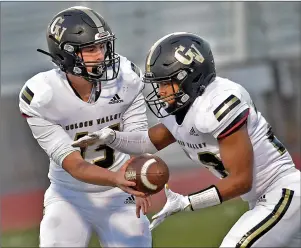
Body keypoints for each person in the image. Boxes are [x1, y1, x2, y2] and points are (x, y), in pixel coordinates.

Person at [72, 32, 301, 247]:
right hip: (264, 200)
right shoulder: (185, 110)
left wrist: (187, 202)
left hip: (282, 193)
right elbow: (147, 142)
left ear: (189, 78)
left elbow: (241, 181)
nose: (160, 92)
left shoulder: (216, 103)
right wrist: (111, 137)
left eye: (165, 83)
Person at [19, 6, 152, 247]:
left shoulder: (126, 78)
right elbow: (75, 165)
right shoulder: (43, 98)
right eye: (91, 49)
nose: (101, 55)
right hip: (69, 196)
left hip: (120, 194)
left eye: (102, 46)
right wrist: (117, 179)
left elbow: (136, 140)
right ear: (66, 54)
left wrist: (138, 176)